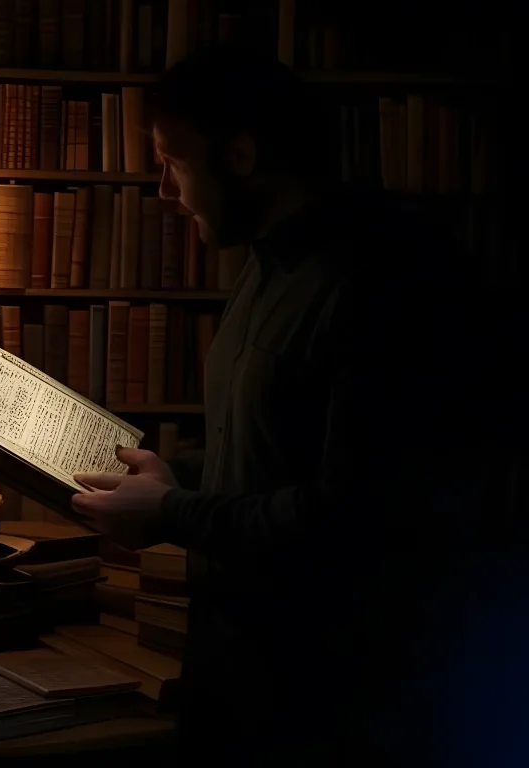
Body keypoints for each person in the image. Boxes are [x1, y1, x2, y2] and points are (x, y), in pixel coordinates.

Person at [71, 47, 490, 767]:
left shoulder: (386, 283)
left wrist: (167, 513)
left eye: (172, 162)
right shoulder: (265, 264)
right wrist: (173, 472)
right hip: (238, 669)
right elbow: (270, 447)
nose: (164, 191)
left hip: (328, 700)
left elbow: (354, 515)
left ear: (239, 154)